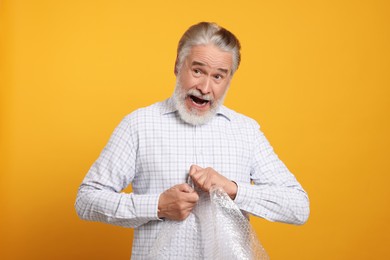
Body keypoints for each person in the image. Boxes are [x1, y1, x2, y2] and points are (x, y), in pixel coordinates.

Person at [75, 22, 310, 259]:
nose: (205, 87)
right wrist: (157, 206)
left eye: (218, 76)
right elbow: (86, 200)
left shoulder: (246, 131)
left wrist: (233, 190)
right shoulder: (139, 125)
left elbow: (298, 207)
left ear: (229, 80)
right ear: (178, 65)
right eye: (197, 71)